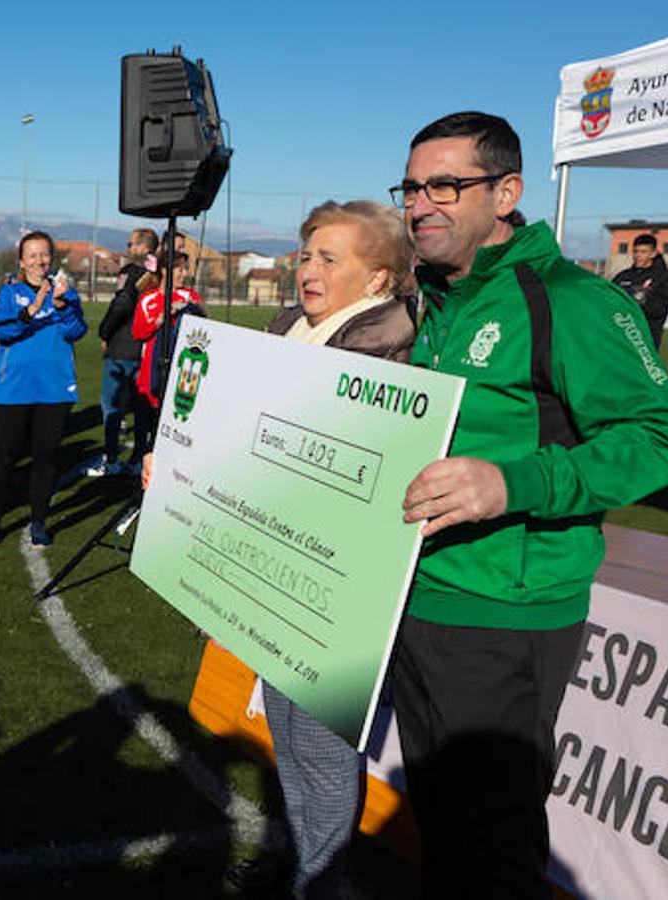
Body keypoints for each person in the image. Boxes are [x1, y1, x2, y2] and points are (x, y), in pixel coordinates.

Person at [390, 111, 668, 897]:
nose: (421, 204)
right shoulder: (432, 300)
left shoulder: (574, 300)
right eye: (412, 187)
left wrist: (512, 483)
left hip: (506, 616)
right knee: (444, 834)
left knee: (496, 852)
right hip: (413, 598)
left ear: (506, 194)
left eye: (446, 186)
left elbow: (664, 440)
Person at [268, 200, 415, 898]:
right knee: (288, 737)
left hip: (337, 580)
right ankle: (305, 863)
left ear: (380, 277)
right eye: (306, 256)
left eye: (330, 259)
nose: (309, 270)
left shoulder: (393, 349)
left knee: (323, 751)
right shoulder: (290, 332)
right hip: (277, 569)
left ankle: (320, 882)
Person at [0, 231, 86, 548]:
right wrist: (31, 310)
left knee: (45, 457)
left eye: (44, 255)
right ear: (22, 261)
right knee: (4, 456)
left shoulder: (65, 292)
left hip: (54, 389)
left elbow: (77, 330)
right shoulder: (10, 293)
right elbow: (0, 333)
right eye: (33, 255)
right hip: (12, 389)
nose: (40, 261)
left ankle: (39, 522)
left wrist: (63, 305)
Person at [91, 227, 156, 476]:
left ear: (142, 247)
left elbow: (122, 304)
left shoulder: (131, 271)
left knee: (112, 404)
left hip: (122, 346)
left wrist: (105, 332)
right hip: (144, 347)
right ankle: (138, 458)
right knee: (141, 407)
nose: (128, 248)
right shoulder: (155, 273)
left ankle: (111, 458)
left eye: (131, 244)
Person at [131, 249, 205, 410]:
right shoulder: (148, 299)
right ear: (165, 271)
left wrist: (196, 308)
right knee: (146, 423)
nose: (184, 274)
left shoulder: (188, 295)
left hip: (182, 372)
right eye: (180, 269)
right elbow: (138, 333)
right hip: (151, 372)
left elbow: (205, 325)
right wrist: (160, 319)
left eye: (185, 269)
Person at [610, 233, 668, 349]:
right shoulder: (622, 276)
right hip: (620, 336)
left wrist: (640, 297)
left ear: (653, 253)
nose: (638, 255)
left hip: (646, 339)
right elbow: (609, 302)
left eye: (643, 252)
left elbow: (659, 310)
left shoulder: (664, 276)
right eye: (635, 251)